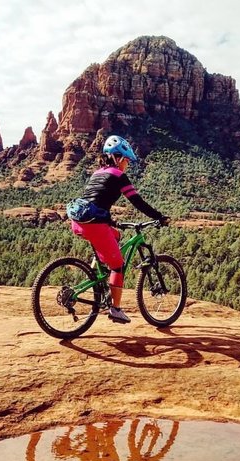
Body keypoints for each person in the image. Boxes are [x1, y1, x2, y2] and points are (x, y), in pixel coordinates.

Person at [68, 135, 169, 324]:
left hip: (80, 220)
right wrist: (158, 216)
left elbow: (96, 201)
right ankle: (115, 309)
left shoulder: (98, 173)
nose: (127, 164)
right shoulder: (119, 176)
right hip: (94, 224)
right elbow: (137, 201)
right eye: (127, 160)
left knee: (116, 235)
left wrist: (112, 222)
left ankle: (97, 272)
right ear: (118, 158)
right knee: (118, 265)